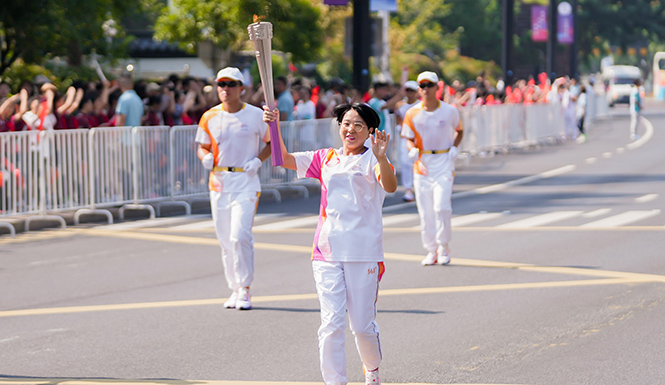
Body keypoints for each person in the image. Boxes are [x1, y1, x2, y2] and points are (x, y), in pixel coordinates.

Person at [263, 102, 397, 385]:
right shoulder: (325, 158)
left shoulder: (373, 159)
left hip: (364, 252)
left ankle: (371, 368)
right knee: (331, 323)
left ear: (371, 131)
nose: (351, 129)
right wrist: (273, 126)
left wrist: (383, 158)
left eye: (359, 125)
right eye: (346, 123)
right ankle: (335, 381)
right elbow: (281, 158)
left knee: (361, 327)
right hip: (327, 251)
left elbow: (390, 185)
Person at [195, 67, 271, 311]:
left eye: (230, 84)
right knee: (225, 240)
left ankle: (245, 288)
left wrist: (258, 160)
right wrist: (204, 157)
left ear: (242, 88)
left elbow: (271, 143)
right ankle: (234, 288)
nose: (225, 89)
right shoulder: (209, 116)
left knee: (240, 236)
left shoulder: (256, 115)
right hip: (219, 183)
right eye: (221, 84)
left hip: (246, 182)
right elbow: (202, 146)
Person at [403, 71, 463, 266]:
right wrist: (412, 151)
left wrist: (454, 147)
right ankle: (431, 250)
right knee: (426, 212)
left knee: (442, 207)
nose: (425, 89)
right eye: (422, 85)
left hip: (444, 161)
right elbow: (409, 139)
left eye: (429, 85)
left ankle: (444, 246)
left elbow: (459, 131)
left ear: (438, 87)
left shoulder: (450, 110)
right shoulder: (412, 113)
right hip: (423, 165)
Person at [395, 80, 421, 202]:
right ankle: (408, 189)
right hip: (405, 137)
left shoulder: (421, 105)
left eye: (412, 90)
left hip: (419, 138)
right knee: (405, 163)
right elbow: (398, 118)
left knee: (419, 162)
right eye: (407, 90)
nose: (409, 93)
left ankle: (420, 187)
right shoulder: (400, 105)